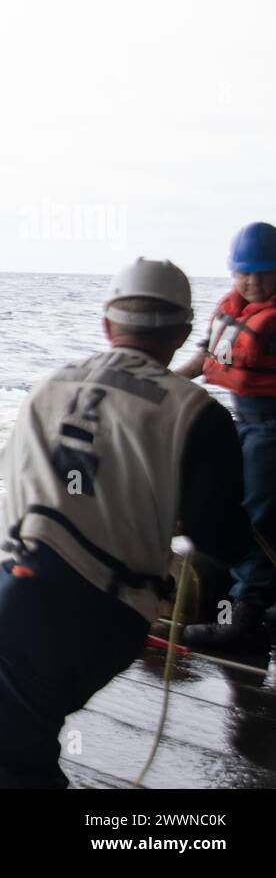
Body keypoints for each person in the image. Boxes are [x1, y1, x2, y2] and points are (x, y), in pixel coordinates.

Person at [0, 258, 253, 788]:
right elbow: (221, 538)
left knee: (12, 766)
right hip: (116, 619)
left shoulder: (48, 385)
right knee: (30, 750)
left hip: (26, 600)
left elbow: (20, 478)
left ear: (107, 324)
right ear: (183, 333)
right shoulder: (197, 412)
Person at [172, 222, 276, 649]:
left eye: (265, 272)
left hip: (270, 430)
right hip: (243, 423)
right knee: (215, 491)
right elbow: (205, 356)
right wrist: (157, 381)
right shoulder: (234, 311)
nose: (253, 281)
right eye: (244, 273)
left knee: (254, 515)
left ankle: (244, 615)